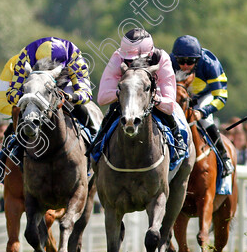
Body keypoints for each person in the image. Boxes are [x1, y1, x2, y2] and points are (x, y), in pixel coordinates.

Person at [0, 36, 100, 180]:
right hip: (35, 87)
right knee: (17, 118)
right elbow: (11, 94)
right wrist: (29, 99)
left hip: (64, 88)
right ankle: (5, 155)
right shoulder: (25, 57)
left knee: (85, 108)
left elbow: (86, 93)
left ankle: (96, 143)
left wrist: (69, 98)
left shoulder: (74, 56)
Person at [95, 28, 189, 160]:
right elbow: (102, 98)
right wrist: (125, 93)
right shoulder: (118, 57)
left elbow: (169, 105)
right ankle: (97, 146)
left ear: (149, 55)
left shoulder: (161, 58)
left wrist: (152, 97)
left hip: (153, 98)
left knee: (174, 119)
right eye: (128, 61)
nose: (132, 64)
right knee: (107, 120)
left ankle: (178, 141)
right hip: (125, 99)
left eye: (137, 60)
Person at [170, 35, 235, 176]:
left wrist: (203, 111)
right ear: (176, 58)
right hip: (179, 96)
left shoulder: (210, 64)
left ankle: (224, 157)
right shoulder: (170, 62)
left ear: (198, 60)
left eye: (190, 61)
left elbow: (221, 97)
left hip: (204, 96)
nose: (185, 66)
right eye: (181, 61)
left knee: (205, 121)